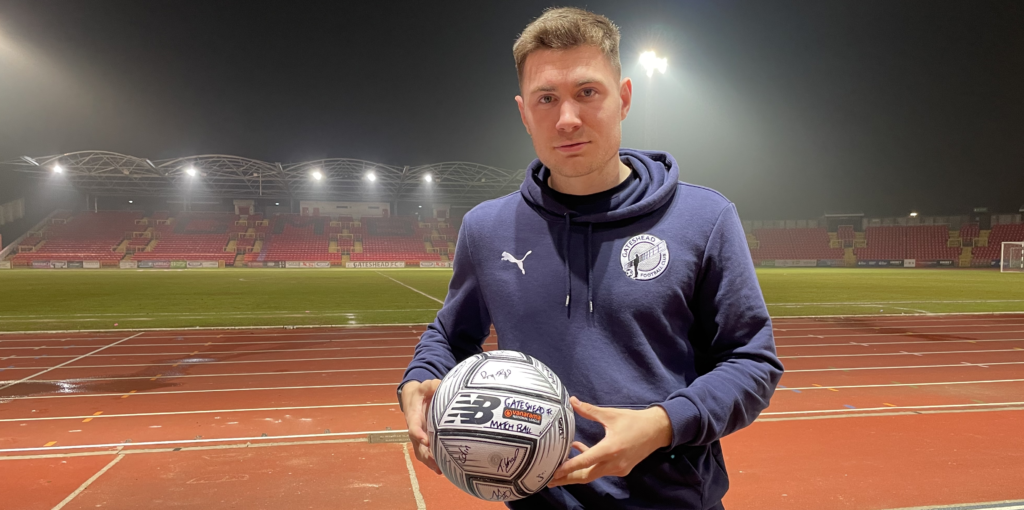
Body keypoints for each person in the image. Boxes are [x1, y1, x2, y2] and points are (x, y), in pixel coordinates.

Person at [397, 7, 783, 509]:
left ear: (623, 98)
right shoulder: (486, 228)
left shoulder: (703, 218)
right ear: (524, 113)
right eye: (546, 99)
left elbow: (751, 362)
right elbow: (450, 336)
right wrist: (420, 378)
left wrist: (662, 425)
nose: (567, 119)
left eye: (587, 92)